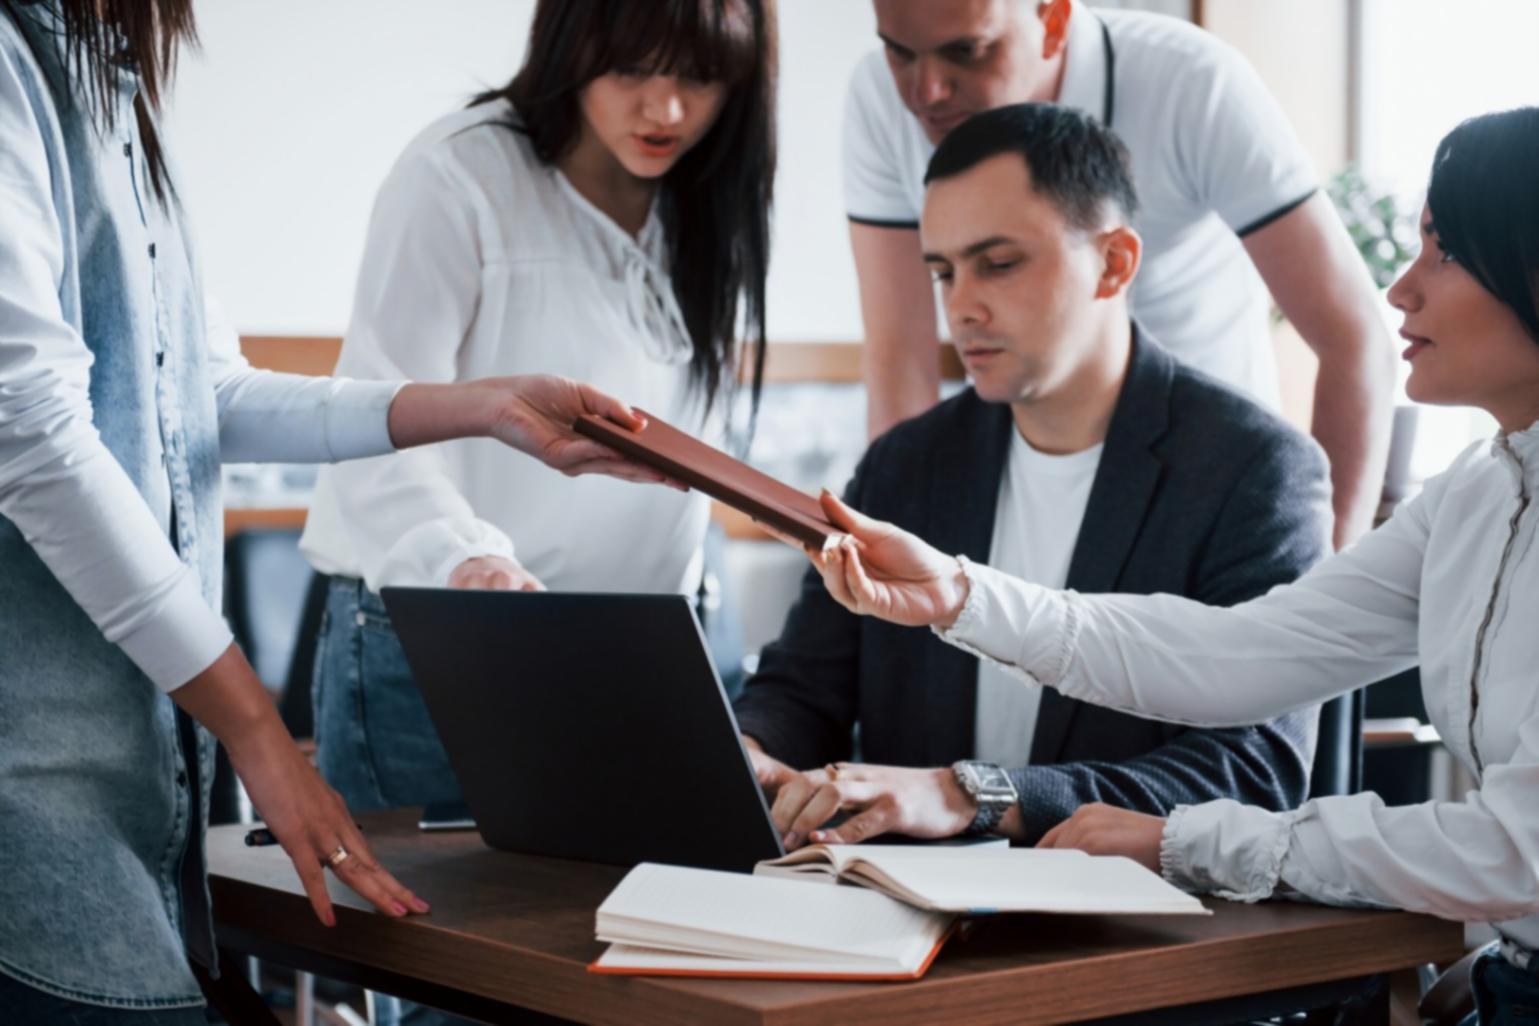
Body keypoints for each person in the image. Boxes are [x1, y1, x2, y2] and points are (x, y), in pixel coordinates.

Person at [0, 1, 663, 1020]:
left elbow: (208, 395)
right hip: (33, 790)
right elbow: (31, 434)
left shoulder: (108, 78)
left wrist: (485, 408)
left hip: (131, 782)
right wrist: (261, 733)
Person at [804, 107, 1539, 1026]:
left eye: (1444, 253)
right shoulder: (1474, 492)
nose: (1398, 289)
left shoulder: (1250, 459)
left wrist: (1186, 840)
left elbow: (1515, 852)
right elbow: (1238, 654)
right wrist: (959, 592)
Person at [736, 102, 1328, 850]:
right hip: (901, 906)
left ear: (1112, 263)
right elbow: (804, 684)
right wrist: (751, 754)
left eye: (999, 264)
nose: (961, 308)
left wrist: (979, 796)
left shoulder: (1252, 469)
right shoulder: (905, 462)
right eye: (944, 273)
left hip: (1132, 930)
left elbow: (1252, 770)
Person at [299, 0, 774, 818]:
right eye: (632, 68)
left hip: (641, 652)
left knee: (622, 929)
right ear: (572, 42)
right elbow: (378, 414)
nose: (665, 111)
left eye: (698, 77)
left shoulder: (706, 196)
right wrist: (463, 559)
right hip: (450, 638)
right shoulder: (458, 174)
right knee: (434, 934)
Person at [846, 0, 1393, 547]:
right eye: (899, 52)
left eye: (967, 50)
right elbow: (900, 359)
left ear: (1053, 20)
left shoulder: (1191, 82)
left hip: (1207, 492)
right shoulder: (879, 99)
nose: (927, 93)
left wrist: (1326, 591)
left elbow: (1354, 339)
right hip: (1023, 476)